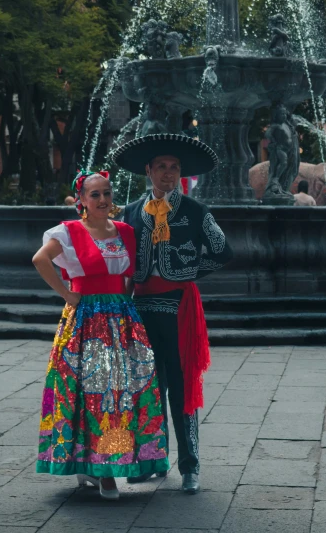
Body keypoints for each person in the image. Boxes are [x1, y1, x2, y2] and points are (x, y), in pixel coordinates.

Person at [32, 169, 169, 500]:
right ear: (81, 200)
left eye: (107, 193)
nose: (103, 200)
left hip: (121, 318)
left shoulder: (123, 230)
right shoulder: (68, 232)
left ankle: (107, 463)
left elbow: (131, 273)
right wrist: (67, 294)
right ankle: (100, 470)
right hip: (85, 321)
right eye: (95, 195)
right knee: (88, 392)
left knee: (122, 392)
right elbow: (40, 259)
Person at [111, 133, 234, 495]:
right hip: (141, 310)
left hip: (179, 308)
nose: (168, 174)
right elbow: (119, 260)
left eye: (174, 167)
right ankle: (153, 461)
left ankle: (190, 467)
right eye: (161, 167)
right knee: (147, 390)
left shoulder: (196, 211)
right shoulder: (130, 213)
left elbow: (223, 251)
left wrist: (189, 272)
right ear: (148, 171)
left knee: (181, 391)